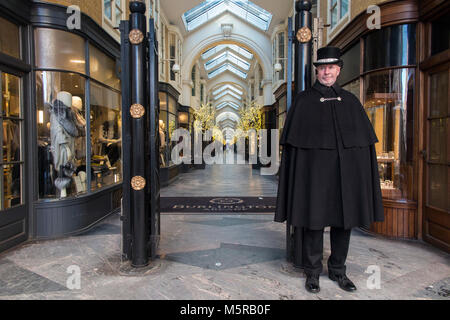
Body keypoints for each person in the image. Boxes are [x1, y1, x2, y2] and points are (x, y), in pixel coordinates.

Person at [275, 46, 384, 293]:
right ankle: (312, 273)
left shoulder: (351, 102)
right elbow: (294, 150)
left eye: (331, 67)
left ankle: (338, 271)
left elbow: (363, 147)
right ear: (317, 71)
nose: (326, 72)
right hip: (314, 178)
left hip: (345, 179)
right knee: (314, 222)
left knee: (343, 224)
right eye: (322, 68)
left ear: (338, 70)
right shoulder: (303, 102)